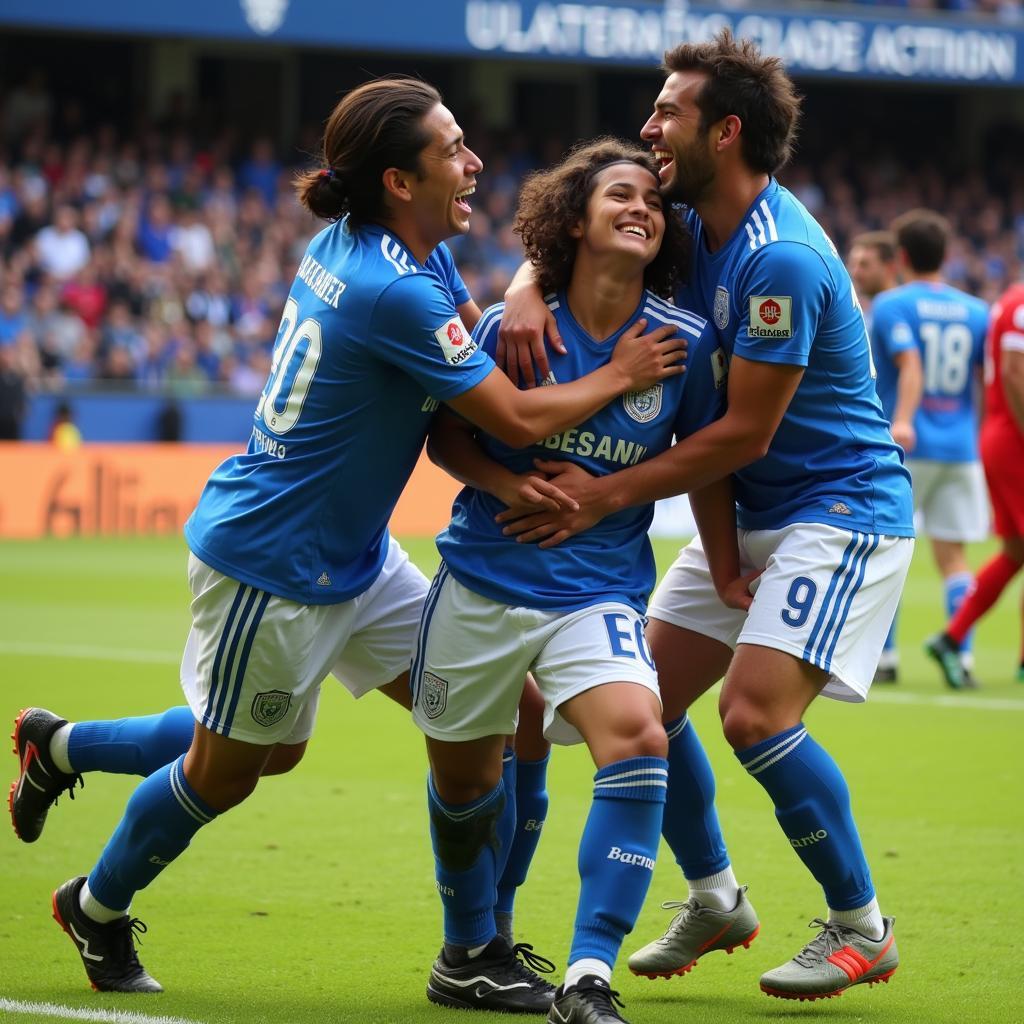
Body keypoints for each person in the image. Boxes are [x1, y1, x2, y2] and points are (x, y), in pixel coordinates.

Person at [10, 77, 685, 998]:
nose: (473, 160)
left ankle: (476, 951)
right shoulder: (392, 289)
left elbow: (484, 317)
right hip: (275, 566)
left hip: (355, 557)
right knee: (231, 771)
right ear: (399, 181)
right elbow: (518, 417)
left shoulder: (381, 245)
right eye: (451, 149)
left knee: (509, 709)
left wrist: (528, 283)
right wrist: (622, 373)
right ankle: (93, 905)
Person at [498, 30, 914, 1002]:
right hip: (753, 508)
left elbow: (740, 434)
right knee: (642, 700)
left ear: (724, 132)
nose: (647, 129)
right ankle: (717, 895)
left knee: (752, 711)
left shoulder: (782, 263)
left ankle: (862, 926)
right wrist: (524, 284)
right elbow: (579, 241)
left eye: (666, 111)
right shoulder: (689, 237)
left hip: (840, 509)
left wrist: (603, 494)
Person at [415, 138, 740, 1024]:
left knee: (640, 738)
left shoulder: (685, 344)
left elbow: (707, 460)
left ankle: (588, 975)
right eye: (619, 196)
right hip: (480, 582)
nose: (641, 208)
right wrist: (505, 482)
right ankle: (472, 946)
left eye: (651, 200)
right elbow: (448, 438)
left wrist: (717, 556)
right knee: (466, 789)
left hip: (595, 593)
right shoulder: (510, 325)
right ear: (574, 220)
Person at [873, 210, 988, 688]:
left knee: (887, 551)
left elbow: (909, 364)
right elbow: (986, 381)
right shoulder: (976, 311)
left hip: (907, 442)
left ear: (900, 257)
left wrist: (902, 417)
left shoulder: (891, 305)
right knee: (954, 557)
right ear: (947, 255)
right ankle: (961, 657)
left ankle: (886, 659)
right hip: (961, 447)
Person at [926, 282, 1024, 687]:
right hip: (1014, 437)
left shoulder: (1009, 300)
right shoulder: (1020, 304)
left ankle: (952, 638)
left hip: (999, 434)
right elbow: (1014, 371)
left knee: (1016, 551)